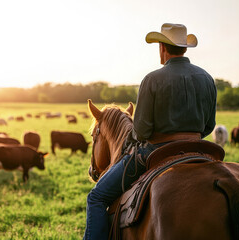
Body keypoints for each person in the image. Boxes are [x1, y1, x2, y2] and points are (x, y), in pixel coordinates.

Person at [83, 23, 217, 240]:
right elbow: (209, 125)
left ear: (162, 48)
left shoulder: (152, 79)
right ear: (184, 48)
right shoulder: (207, 78)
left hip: (156, 150)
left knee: (96, 198)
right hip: (200, 148)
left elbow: (142, 130)